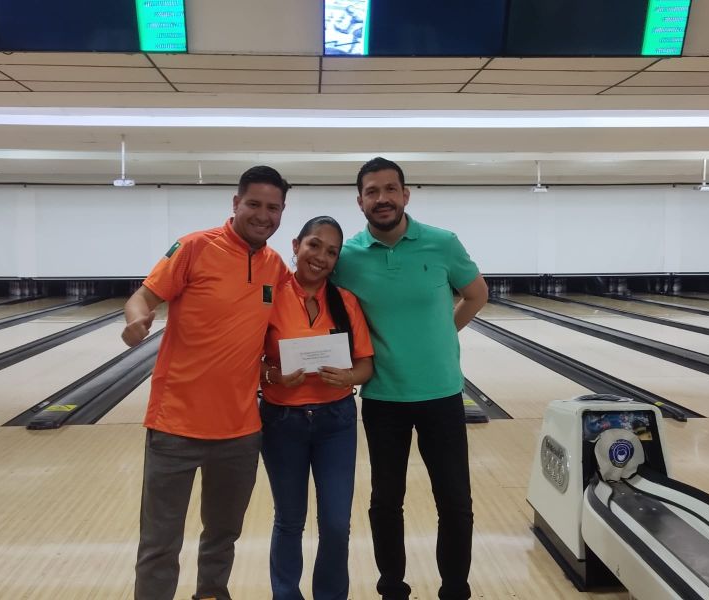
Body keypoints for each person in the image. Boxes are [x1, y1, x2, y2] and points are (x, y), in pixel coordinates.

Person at [121, 165, 291, 600]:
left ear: (282, 212)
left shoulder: (275, 267)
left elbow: (281, 333)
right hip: (175, 425)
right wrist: (136, 319)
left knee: (222, 535)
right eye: (254, 204)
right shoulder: (194, 247)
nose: (263, 215)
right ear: (236, 203)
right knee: (160, 542)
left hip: (240, 431)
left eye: (273, 208)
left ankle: (211, 594)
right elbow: (143, 295)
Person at [332, 157, 489, 600]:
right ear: (360, 200)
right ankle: (391, 588)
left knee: (455, 501)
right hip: (383, 397)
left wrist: (443, 333)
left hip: (442, 394)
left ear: (405, 194)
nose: (381, 198)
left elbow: (476, 295)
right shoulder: (347, 257)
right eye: (372, 191)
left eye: (389, 189)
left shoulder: (442, 243)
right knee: (385, 501)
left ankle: (455, 589)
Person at [260, 216, 374, 600]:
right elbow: (249, 361)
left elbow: (365, 365)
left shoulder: (346, 302)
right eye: (314, 245)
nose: (321, 256)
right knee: (289, 521)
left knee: (337, 524)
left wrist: (349, 377)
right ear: (296, 246)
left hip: (335, 421)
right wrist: (273, 376)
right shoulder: (270, 297)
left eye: (331, 252)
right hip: (281, 420)